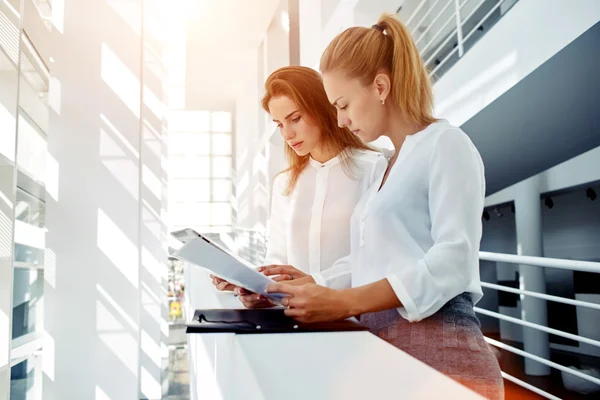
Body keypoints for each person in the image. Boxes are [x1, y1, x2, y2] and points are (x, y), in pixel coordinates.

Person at [264, 14, 504, 399]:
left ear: (380, 86)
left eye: (343, 105)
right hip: (382, 349)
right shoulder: (388, 168)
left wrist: (344, 301)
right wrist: (310, 285)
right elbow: (367, 262)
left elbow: (454, 261)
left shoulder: (445, 144)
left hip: (441, 351)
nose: (340, 120)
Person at [211, 66, 388, 308]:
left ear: (322, 108)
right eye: (279, 124)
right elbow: (277, 259)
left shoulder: (374, 168)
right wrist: (255, 288)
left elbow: (374, 258)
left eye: (295, 119)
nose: (287, 133)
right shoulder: (285, 183)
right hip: (297, 318)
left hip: (358, 316)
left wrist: (312, 284)